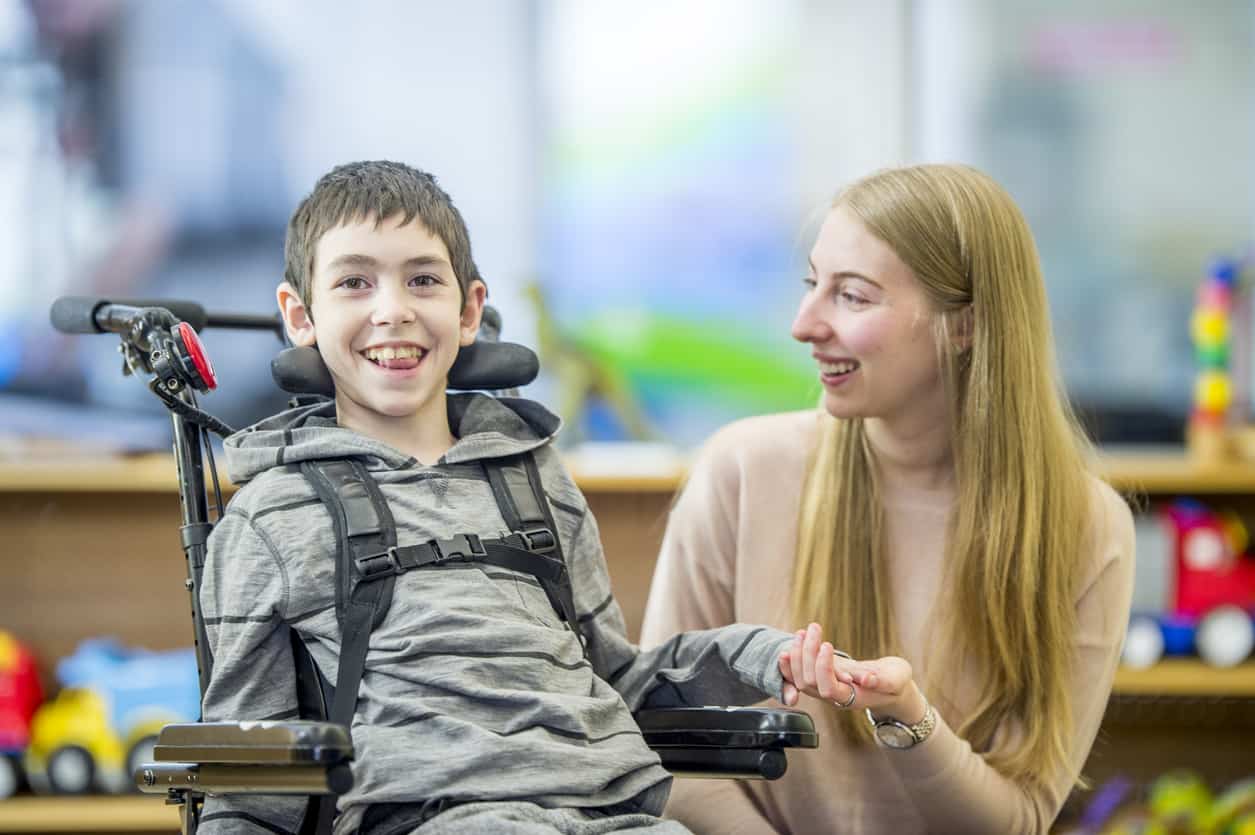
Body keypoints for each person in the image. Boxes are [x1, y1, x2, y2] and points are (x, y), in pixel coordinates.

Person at [199, 160, 842, 835]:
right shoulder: (271, 514)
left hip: (610, 810)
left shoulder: (536, 480)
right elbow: (251, 776)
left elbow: (615, 677)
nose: (393, 309)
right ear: (300, 315)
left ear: (470, 308)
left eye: (422, 279)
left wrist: (757, 655)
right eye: (354, 283)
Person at [641, 163, 1136, 834]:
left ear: (963, 325)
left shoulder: (1085, 525)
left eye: (851, 295)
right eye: (811, 284)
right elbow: (665, 753)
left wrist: (909, 717)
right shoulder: (740, 470)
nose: (802, 323)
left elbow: (1018, 819)